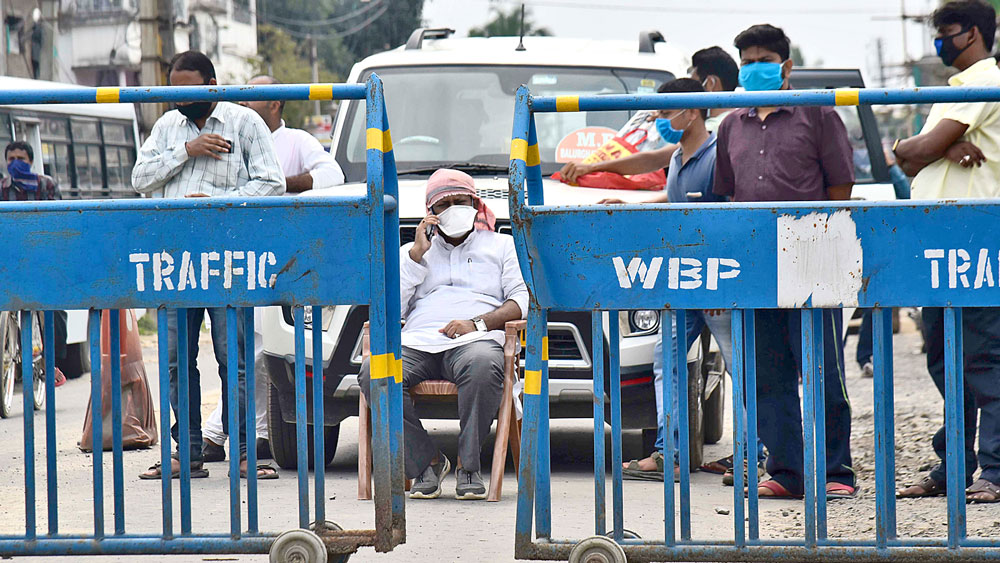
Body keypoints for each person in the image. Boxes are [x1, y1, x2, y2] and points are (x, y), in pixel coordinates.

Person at [713, 24, 857, 499]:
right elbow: (727, 192)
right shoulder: (731, 124)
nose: (754, 67)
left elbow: (840, 186)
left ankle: (836, 471)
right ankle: (789, 473)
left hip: (813, 254)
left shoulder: (817, 114)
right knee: (767, 372)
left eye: (762, 59)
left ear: (785, 66)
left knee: (822, 368)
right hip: (755, 264)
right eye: (747, 61)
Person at [133, 50, 285, 481]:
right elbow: (140, 179)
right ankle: (188, 451)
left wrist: (220, 203)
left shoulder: (245, 122)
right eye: (174, 90)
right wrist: (187, 150)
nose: (181, 98)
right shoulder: (167, 128)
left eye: (190, 89)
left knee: (232, 358)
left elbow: (271, 182)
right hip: (175, 259)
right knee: (178, 361)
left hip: (225, 259)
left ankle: (242, 453)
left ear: (213, 83)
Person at [200, 75, 348, 462]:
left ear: (276, 105)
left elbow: (334, 176)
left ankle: (223, 433)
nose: (244, 105)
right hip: (233, 256)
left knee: (261, 350)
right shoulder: (230, 139)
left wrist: (278, 185)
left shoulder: (296, 141)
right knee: (236, 351)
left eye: (254, 99)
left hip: (278, 261)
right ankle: (238, 432)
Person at [358, 169, 528, 500]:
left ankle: (469, 466)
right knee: (374, 371)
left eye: (459, 201)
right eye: (443, 204)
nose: (453, 208)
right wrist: (415, 256)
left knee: (483, 365)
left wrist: (477, 323)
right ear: (431, 215)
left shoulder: (502, 246)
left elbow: (520, 301)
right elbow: (391, 308)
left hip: (474, 341)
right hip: (418, 342)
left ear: (476, 204)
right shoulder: (413, 253)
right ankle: (427, 463)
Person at [893, 0, 1000, 503]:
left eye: (948, 31)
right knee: (944, 359)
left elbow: (911, 152)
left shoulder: (984, 78)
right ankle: (956, 462)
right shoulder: (954, 92)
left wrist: (931, 144)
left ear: (974, 34)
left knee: (981, 357)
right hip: (940, 242)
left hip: (973, 241)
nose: (940, 42)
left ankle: (995, 471)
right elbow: (906, 155)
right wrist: (942, 145)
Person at [557, 46, 739, 186]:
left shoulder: (716, 133)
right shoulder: (680, 155)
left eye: (666, 113)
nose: (661, 119)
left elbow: (655, 159)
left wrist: (592, 167)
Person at [2, 141, 67, 388]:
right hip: (9, 260)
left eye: (21, 158)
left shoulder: (46, 185)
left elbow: (59, 220)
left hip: (43, 259)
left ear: (31, 161)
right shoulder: (2, 188)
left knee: (56, 310)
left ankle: (52, 362)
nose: (15, 163)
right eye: (10, 159)